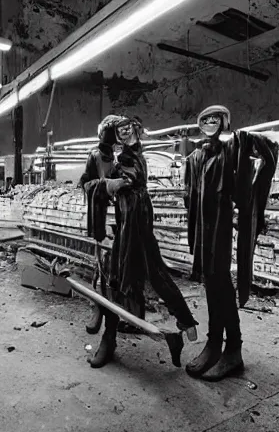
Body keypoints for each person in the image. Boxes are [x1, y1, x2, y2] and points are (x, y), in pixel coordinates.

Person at [84, 115, 198, 369]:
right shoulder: (113, 156)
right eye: (116, 131)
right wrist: (103, 183)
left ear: (135, 130)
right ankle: (114, 335)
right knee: (121, 276)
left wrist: (108, 185)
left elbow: (127, 179)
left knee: (143, 273)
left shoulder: (131, 157)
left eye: (125, 129)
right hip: (126, 220)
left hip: (136, 222)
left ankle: (183, 322)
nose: (121, 134)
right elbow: (97, 181)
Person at [184, 105, 278, 381]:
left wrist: (247, 140)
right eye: (205, 122)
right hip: (204, 231)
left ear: (223, 124)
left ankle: (232, 348)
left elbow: (269, 150)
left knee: (221, 284)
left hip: (221, 231)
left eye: (215, 121)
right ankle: (214, 344)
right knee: (211, 284)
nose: (210, 126)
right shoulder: (199, 156)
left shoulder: (230, 151)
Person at [79, 114, 124, 336]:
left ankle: (110, 309)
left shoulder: (117, 159)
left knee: (111, 266)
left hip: (116, 217)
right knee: (101, 263)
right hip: (101, 217)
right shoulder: (94, 156)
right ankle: (98, 307)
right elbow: (85, 182)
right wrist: (103, 185)